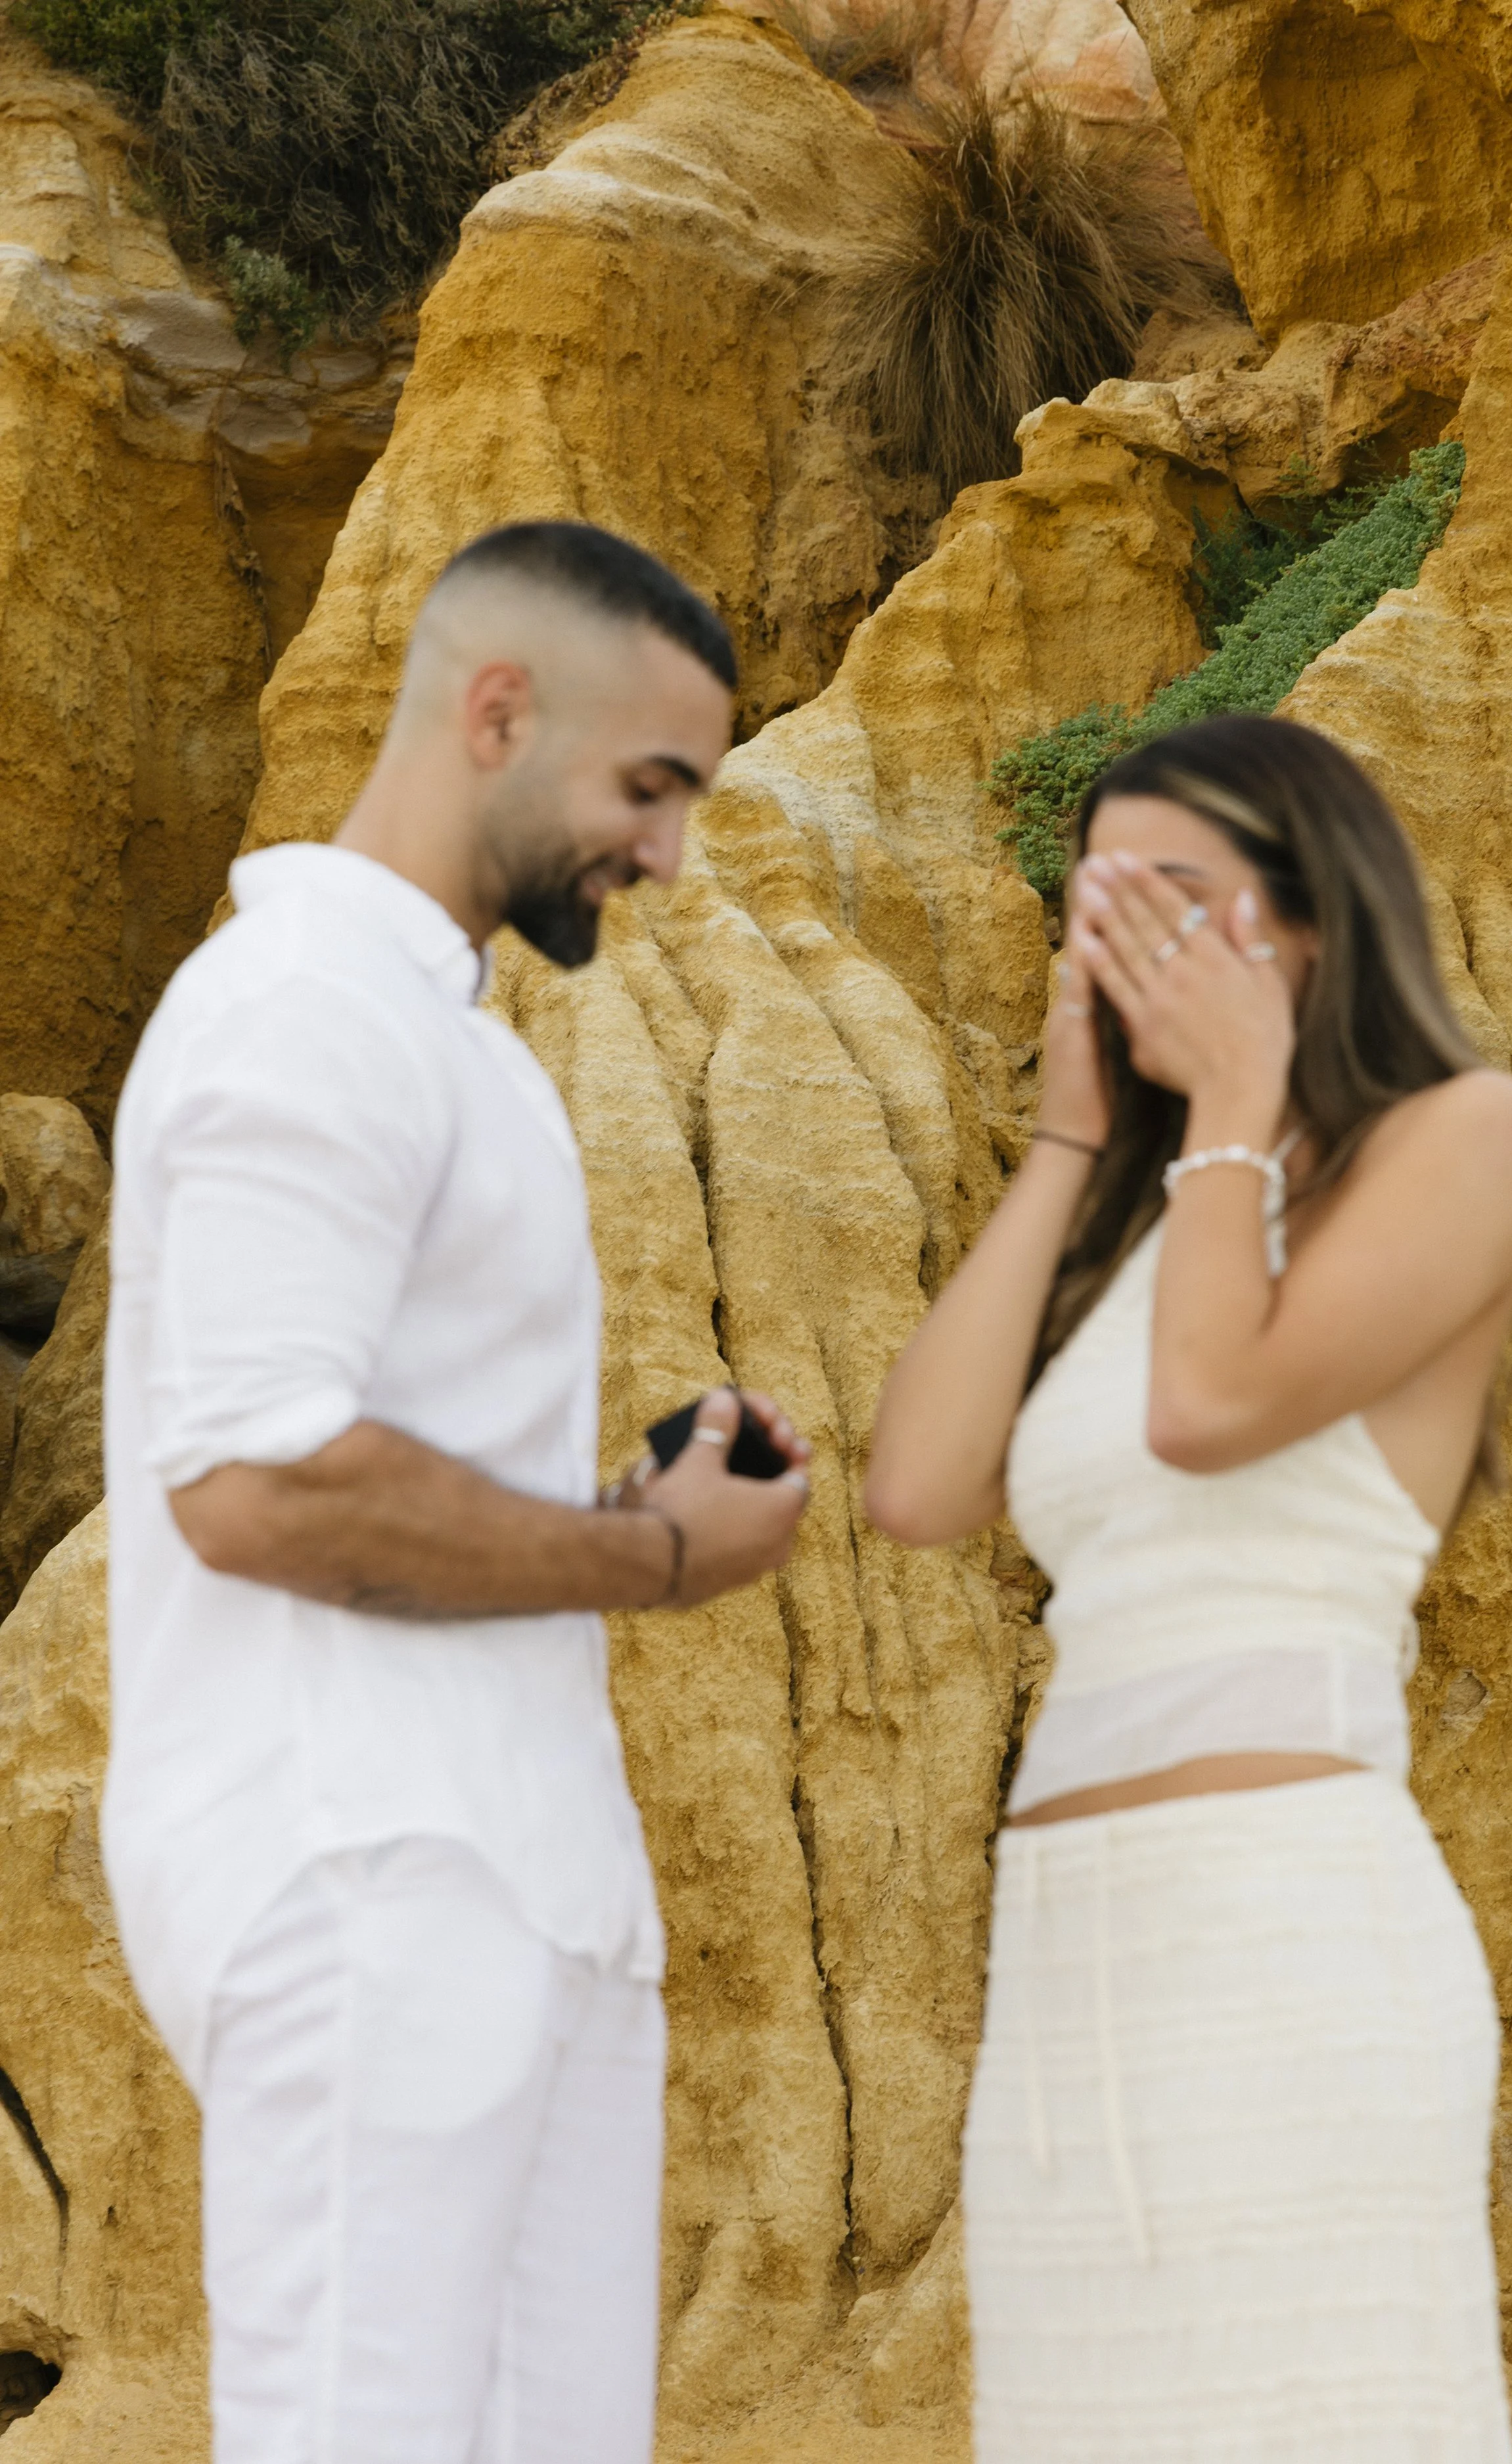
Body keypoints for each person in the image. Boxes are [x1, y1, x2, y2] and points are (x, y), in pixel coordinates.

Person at [102, 520, 812, 2464]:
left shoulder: (448, 1037)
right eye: (649, 786)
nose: (666, 851)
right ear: (495, 710)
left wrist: (614, 1498)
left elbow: (367, 1446)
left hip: (510, 1874)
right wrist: (651, 1551)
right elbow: (252, 1483)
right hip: (362, 1871)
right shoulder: (300, 1011)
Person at [865, 712, 1512, 2460]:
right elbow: (916, 1488)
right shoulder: (1160, 1218)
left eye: (1174, 898)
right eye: (1095, 908)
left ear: (1309, 916)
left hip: (1286, 1940)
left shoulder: (1458, 1134)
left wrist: (1236, 1095)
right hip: (1071, 1971)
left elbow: (1209, 1411)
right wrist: (1065, 1145)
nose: (1123, 944)